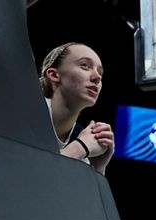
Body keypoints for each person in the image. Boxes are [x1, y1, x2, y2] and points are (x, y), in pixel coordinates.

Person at [39, 42, 114, 175]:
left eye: (100, 73)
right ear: (54, 75)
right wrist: (80, 148)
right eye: (84, 66)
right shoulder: (22, 111)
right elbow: (22, 176)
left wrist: (96, 170)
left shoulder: (81, 136)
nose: (97, 77)